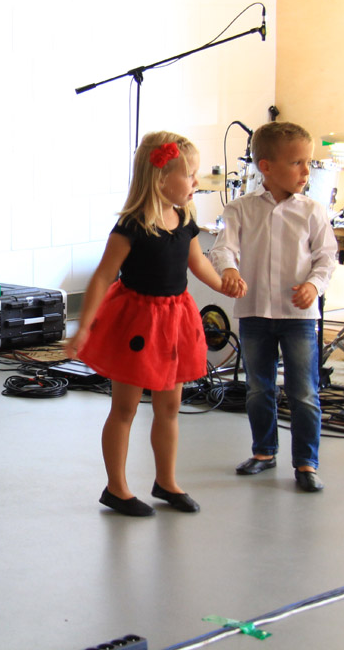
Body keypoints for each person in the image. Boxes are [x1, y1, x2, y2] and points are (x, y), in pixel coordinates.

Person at [67, 132, 241, 517]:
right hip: (137, 323)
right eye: (190, 174)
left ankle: (166, 481)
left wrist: (223, 284)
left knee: (170, 406)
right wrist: (84, 327)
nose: (196, 181)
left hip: (175, 320)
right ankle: (116, 487)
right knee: (125, 407)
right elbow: (103, 276)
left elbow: (198, 263)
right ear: (161, 178)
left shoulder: (185, 219)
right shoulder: (132, 226)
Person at [208, 120, 337, 493]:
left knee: (304, 392)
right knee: (258, 388)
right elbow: (223, 248)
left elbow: (326, 258)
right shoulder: (240, 209)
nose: (306, 171)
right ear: (265, 166)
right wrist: (229, 270)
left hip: (298, 317)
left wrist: (313, 286)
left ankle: (306, 462)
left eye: (308, 162)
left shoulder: (313, 211)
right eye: (297, 163)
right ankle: (264, 451)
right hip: (254, 313)